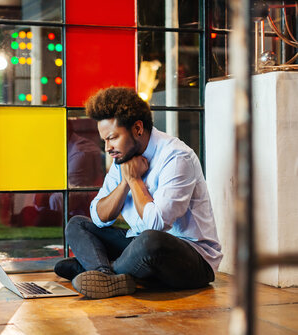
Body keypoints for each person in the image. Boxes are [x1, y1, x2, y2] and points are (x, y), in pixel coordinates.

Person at [54, 87, 222, 299]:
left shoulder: (177, 157)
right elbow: (99, 217)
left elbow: (156, 224)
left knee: (150, 240)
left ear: (138, 129)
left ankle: (99, 269)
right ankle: (106, 275)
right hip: (139, 244)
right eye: (104, 140)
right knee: (78, 225)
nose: (107, 148)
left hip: (191, 259)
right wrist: (125, 181)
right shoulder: (121, 158)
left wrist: (135, 180)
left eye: (112, 138)